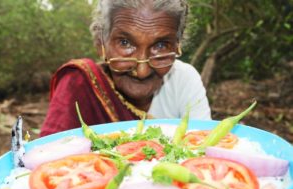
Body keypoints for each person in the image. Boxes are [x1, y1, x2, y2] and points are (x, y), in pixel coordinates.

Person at [40, 0, 211, 137]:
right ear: (101, 45)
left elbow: (205, 151)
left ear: (177, 47)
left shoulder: (183, 79)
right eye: (125, 43)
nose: (142, 70)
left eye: (160, 45)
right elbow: (49, 163)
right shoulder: (78, 84)